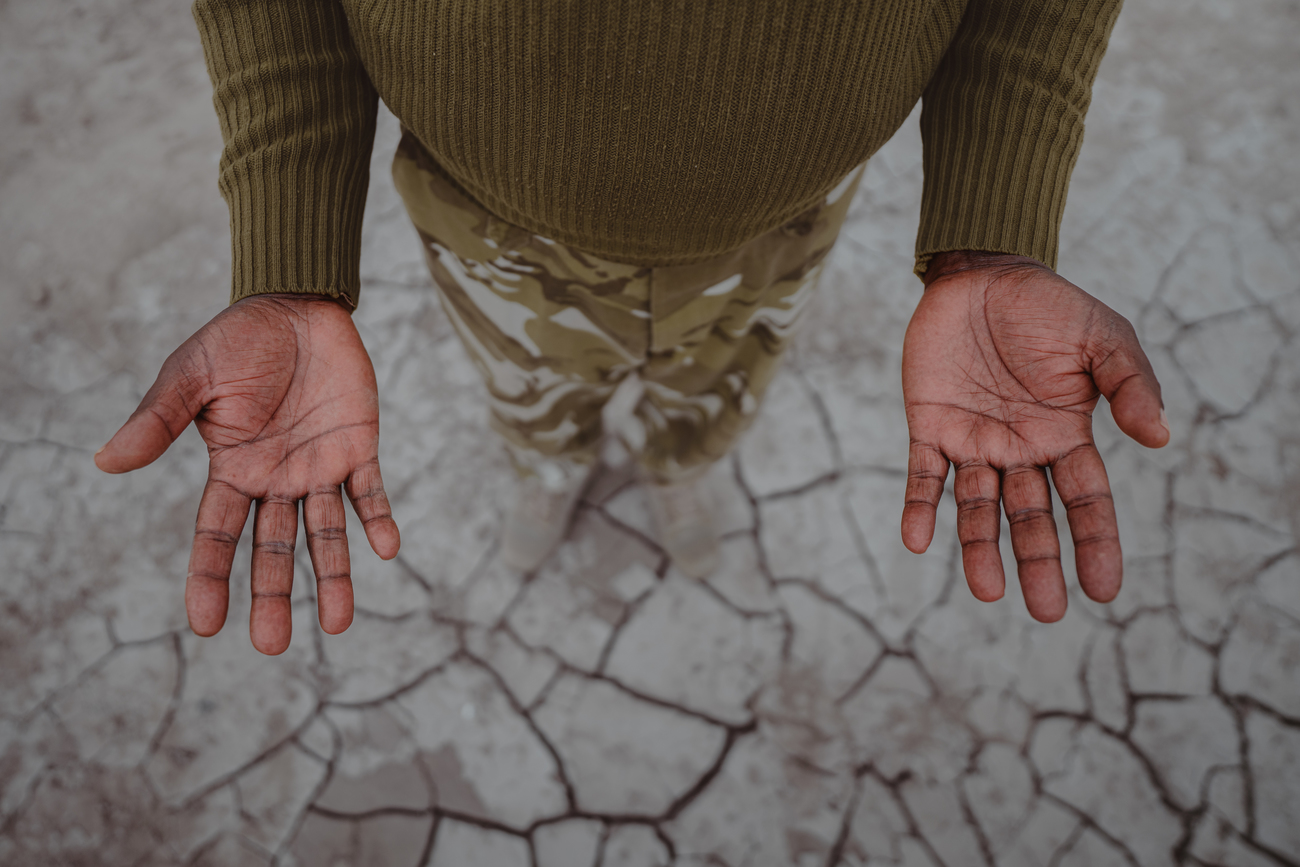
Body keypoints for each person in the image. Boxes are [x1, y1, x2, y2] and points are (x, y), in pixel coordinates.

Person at [94, 0, 1170, 656]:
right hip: (491, 217)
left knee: (722, 383)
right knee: (526, 382)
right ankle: (544, 460)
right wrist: (290, 267)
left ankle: (681, 456)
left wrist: (994, 234)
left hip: (781, 217)